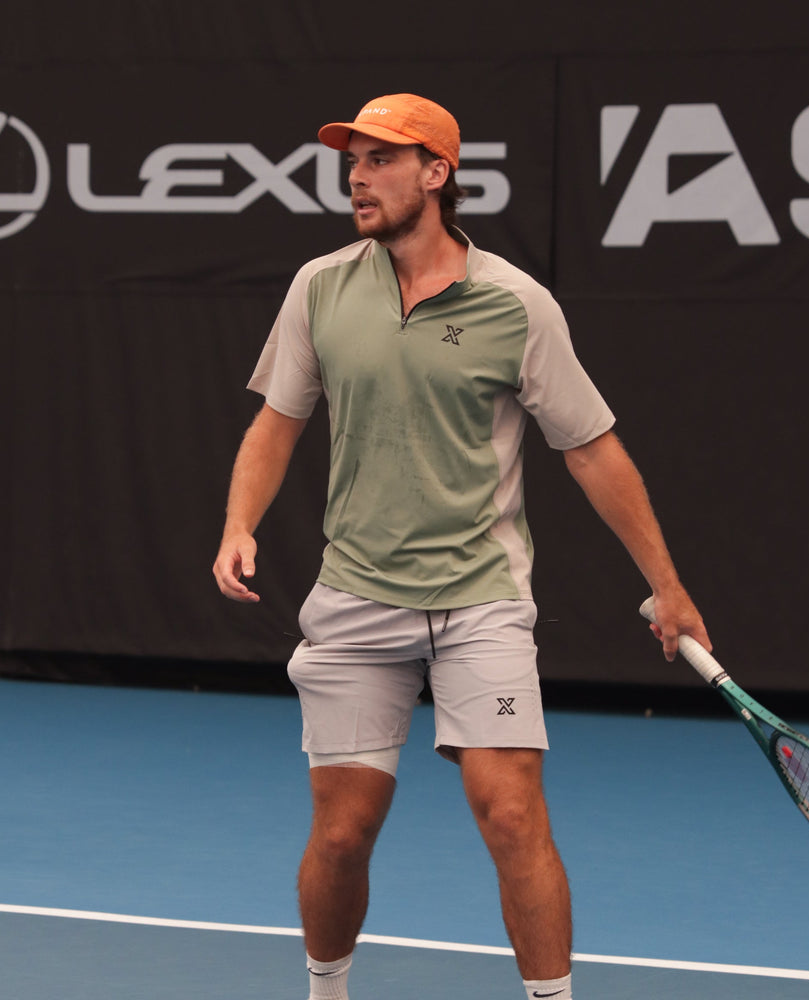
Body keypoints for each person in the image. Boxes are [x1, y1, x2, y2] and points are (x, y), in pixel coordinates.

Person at [212, 93, 711, 1000]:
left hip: (480, 597)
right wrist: (239, 522)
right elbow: (278, 421)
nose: (358, 177)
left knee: (513, 816)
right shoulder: (320, 287)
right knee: (340, 833)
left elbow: (592, 450)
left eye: (382, 160)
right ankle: (326, 993)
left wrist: (667, 586)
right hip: (356, 595)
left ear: (437, 173)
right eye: (352, 161)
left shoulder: (518, 305)